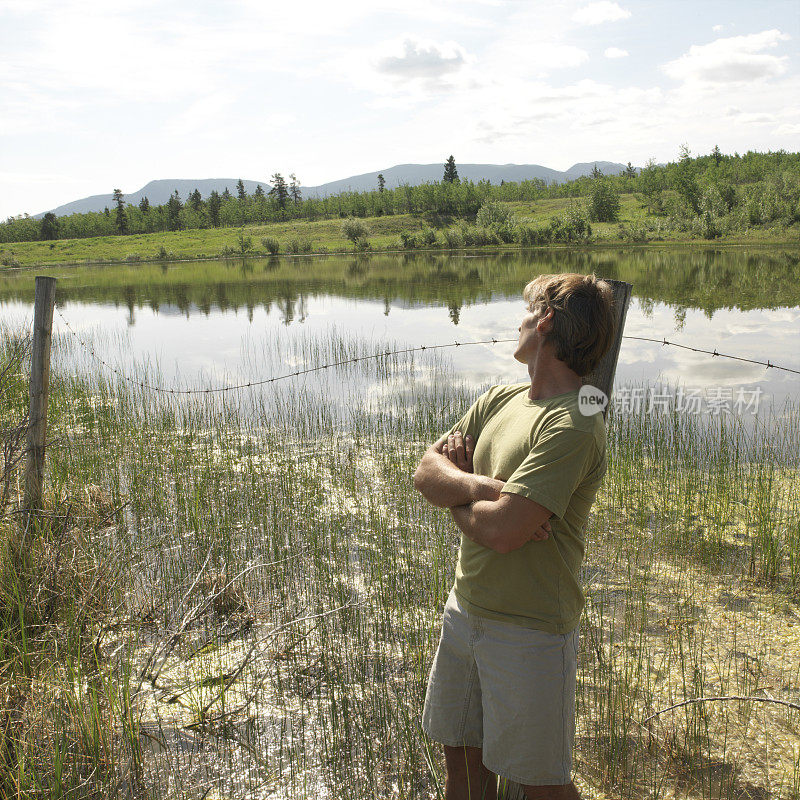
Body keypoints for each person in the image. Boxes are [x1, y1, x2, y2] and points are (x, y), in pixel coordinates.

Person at [413, 272, 617, 800]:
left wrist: (460, 501)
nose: (519, 322)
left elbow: (503, 532)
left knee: (539, 783)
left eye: (526, 312)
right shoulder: (501, 399)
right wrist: (484, 489)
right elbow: (425, 472)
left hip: (530, 631)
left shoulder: (574, 422)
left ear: (545, 321)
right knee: (461, 758)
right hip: (465, 610)